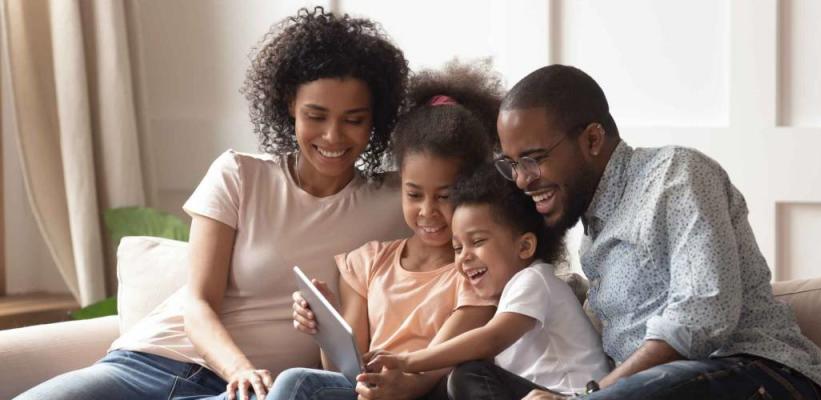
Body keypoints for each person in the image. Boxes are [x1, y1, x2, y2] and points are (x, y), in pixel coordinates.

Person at [15, 7, 410, 400]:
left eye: (353, 119)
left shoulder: (399, 203)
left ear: (375, 120)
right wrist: (238, 368)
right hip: (146, 364)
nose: (332, 136)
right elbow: (198, 301)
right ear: (290, 104)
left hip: (259, 392)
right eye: (316, 115)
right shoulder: (239, 174)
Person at [489, 65, 821, 400]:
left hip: (757, 374)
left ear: (592, 139)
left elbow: (703, 314)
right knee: (471, 377)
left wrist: (590, 395)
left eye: (533, 159)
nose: (522, 179)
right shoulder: (594, 233)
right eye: (512, 165)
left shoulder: (675, 175)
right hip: (651, 388)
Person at [274, 61, 504, 400]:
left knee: (296, 384)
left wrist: (404, 385)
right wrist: (326, 326)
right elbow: (342, 375)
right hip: (365, 392)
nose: (427, 212)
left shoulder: (475, 273)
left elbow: (435, 368)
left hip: (423, 392)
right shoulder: (367, 263)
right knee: (300, 384)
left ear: (471, 190)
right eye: (414, 194)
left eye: (445, 196)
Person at [367, 164, 610, 399]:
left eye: (478, 242)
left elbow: (491, 339)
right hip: (536, 393)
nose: (464, 257)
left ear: (524, 246)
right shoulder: (508, 297)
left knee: (469, 374)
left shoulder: (534, 280)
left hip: (570, 395)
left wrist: (407, 360)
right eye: (457, 247)